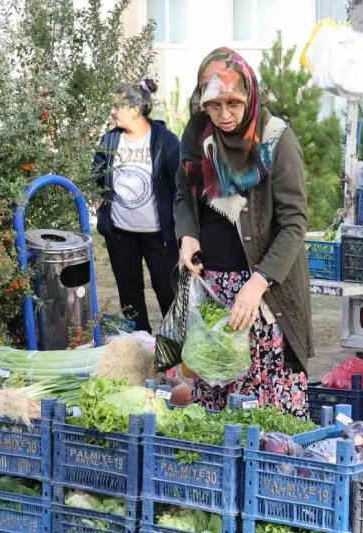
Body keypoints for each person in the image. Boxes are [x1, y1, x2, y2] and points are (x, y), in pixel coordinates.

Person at [174, 47, 312, 416]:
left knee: (265, 411)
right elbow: (183, 193)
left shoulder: (276, 141)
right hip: (214, 288)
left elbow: (295, 222)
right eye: (214, 106)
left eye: (233, 104)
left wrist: (257, 283)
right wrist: (187, 235)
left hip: (265, 295)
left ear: (249, 96)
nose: (224, 116)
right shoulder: (197, 134)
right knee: (213, 400)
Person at [92, 79, 181, 333]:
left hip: (159, 235)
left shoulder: (166, 141)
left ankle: (176, 346)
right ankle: (141, 343)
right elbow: (96, 175)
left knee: (167, 291)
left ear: (135, 109)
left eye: (117, 106)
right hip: (120, 234)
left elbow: (180, 186)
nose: (112, 111)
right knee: (129, 295)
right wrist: (100, 206)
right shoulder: (109, 140)